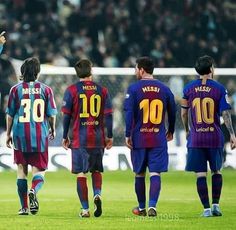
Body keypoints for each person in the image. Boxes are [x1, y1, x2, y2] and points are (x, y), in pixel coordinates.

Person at [181, 55, 236, 217]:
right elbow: (225, 113)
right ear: (211, 68)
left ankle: (206, 209)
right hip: (214, 137)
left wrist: (187, 130)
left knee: (200, 174)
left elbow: (184, 113)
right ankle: (216, 205)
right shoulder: (219, 88)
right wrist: (232, 134)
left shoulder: (188, 88)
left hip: (196, 138)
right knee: (216, 171)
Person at [124, 56, 176, 217]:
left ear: (141, 69)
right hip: (158, 137)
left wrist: (127, 134)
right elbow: (172, 110)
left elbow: (129, 113)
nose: (135, 72)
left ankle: (141, 208)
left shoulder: (133, 89)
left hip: (139, 137)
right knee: (155, 173)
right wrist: (171, 130)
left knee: (139, 173)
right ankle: (152, 206)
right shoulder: (165, 89)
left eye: (135, 68)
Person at [61, 59, 113, 218]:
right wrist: (109, 135)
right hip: (97, 138)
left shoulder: (71, 90)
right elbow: (109, 115)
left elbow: (66, 116)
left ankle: (85, 209)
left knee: (81, 173)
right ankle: (97, 194)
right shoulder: (102, 90)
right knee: (96, 170)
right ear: (91, 71)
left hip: (79, 138)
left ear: (77, 73)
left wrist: (64, 136)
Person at [6, 57, 57, 215]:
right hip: (39, 136)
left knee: (21, 170)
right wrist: (52, 129)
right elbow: (52, 114)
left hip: (20, 135)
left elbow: (10, 114)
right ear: (38, 72)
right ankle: (33, 190)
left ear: (22, 71)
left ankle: (24, 207)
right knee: (39, 171)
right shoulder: (46, 89)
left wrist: (8, 134)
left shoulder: (15, 89)